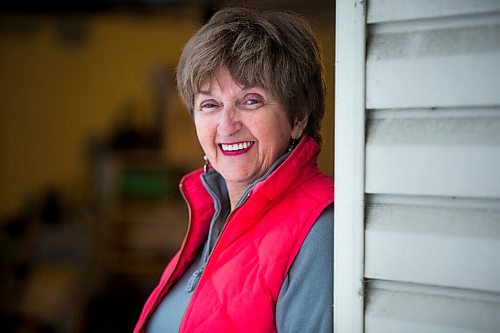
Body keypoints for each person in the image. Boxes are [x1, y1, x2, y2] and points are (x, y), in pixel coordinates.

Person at [134, 7, 334, 333]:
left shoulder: (320, 227)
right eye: (210, 105)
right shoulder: (215, 217)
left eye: (251, 100)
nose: (227, 124)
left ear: (298, 117)